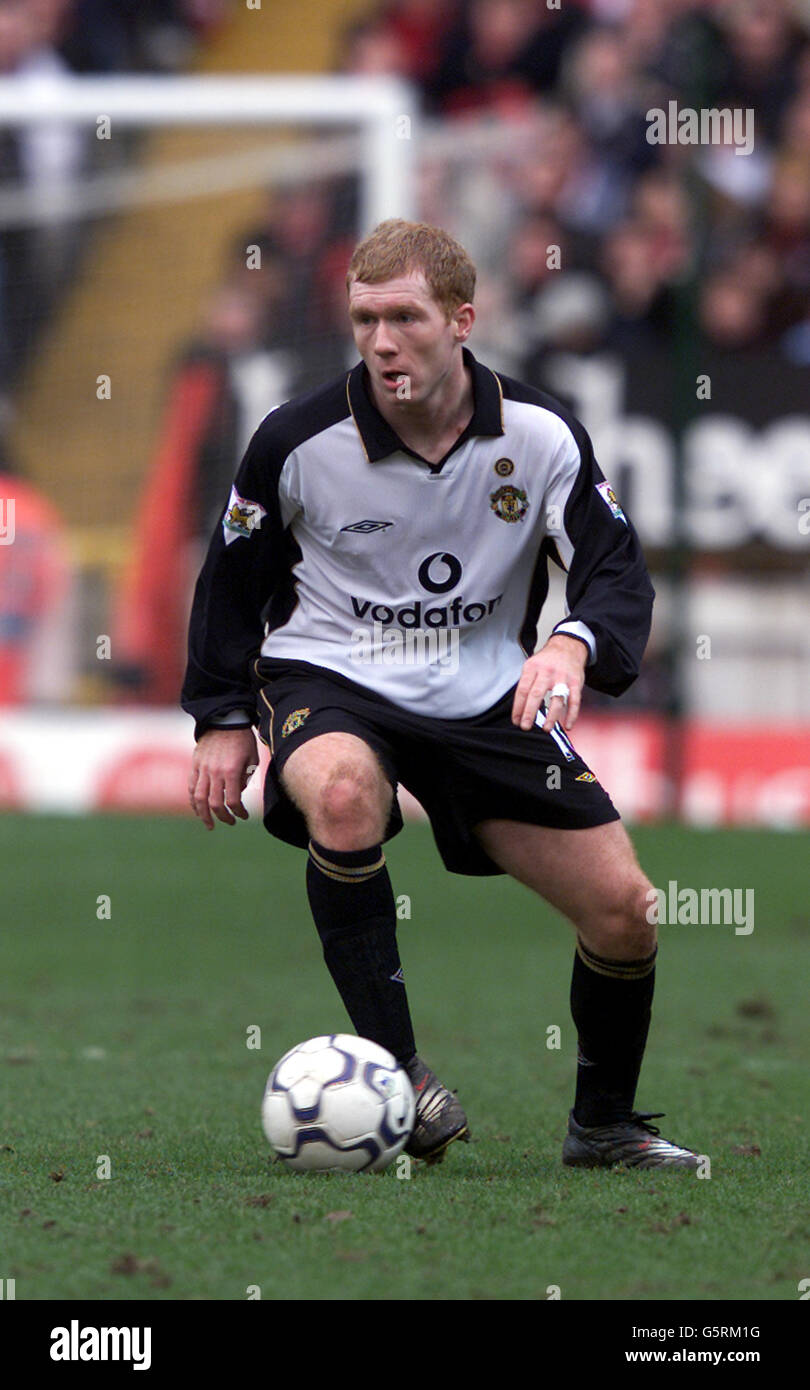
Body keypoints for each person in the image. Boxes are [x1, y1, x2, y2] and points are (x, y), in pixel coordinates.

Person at [183, 219, 700, 1170]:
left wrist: (573, 646)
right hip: (331, 675)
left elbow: (616, 572)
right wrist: (220, 716)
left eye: (405, 318)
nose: (382, 342)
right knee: (342, 794)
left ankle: (606, 1128)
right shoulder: (296, 439)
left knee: (626, 910)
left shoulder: (541, 435)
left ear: (463, 320)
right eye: (364, 319)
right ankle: (402, 1075)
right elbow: (232, 577)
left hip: (485, 696)